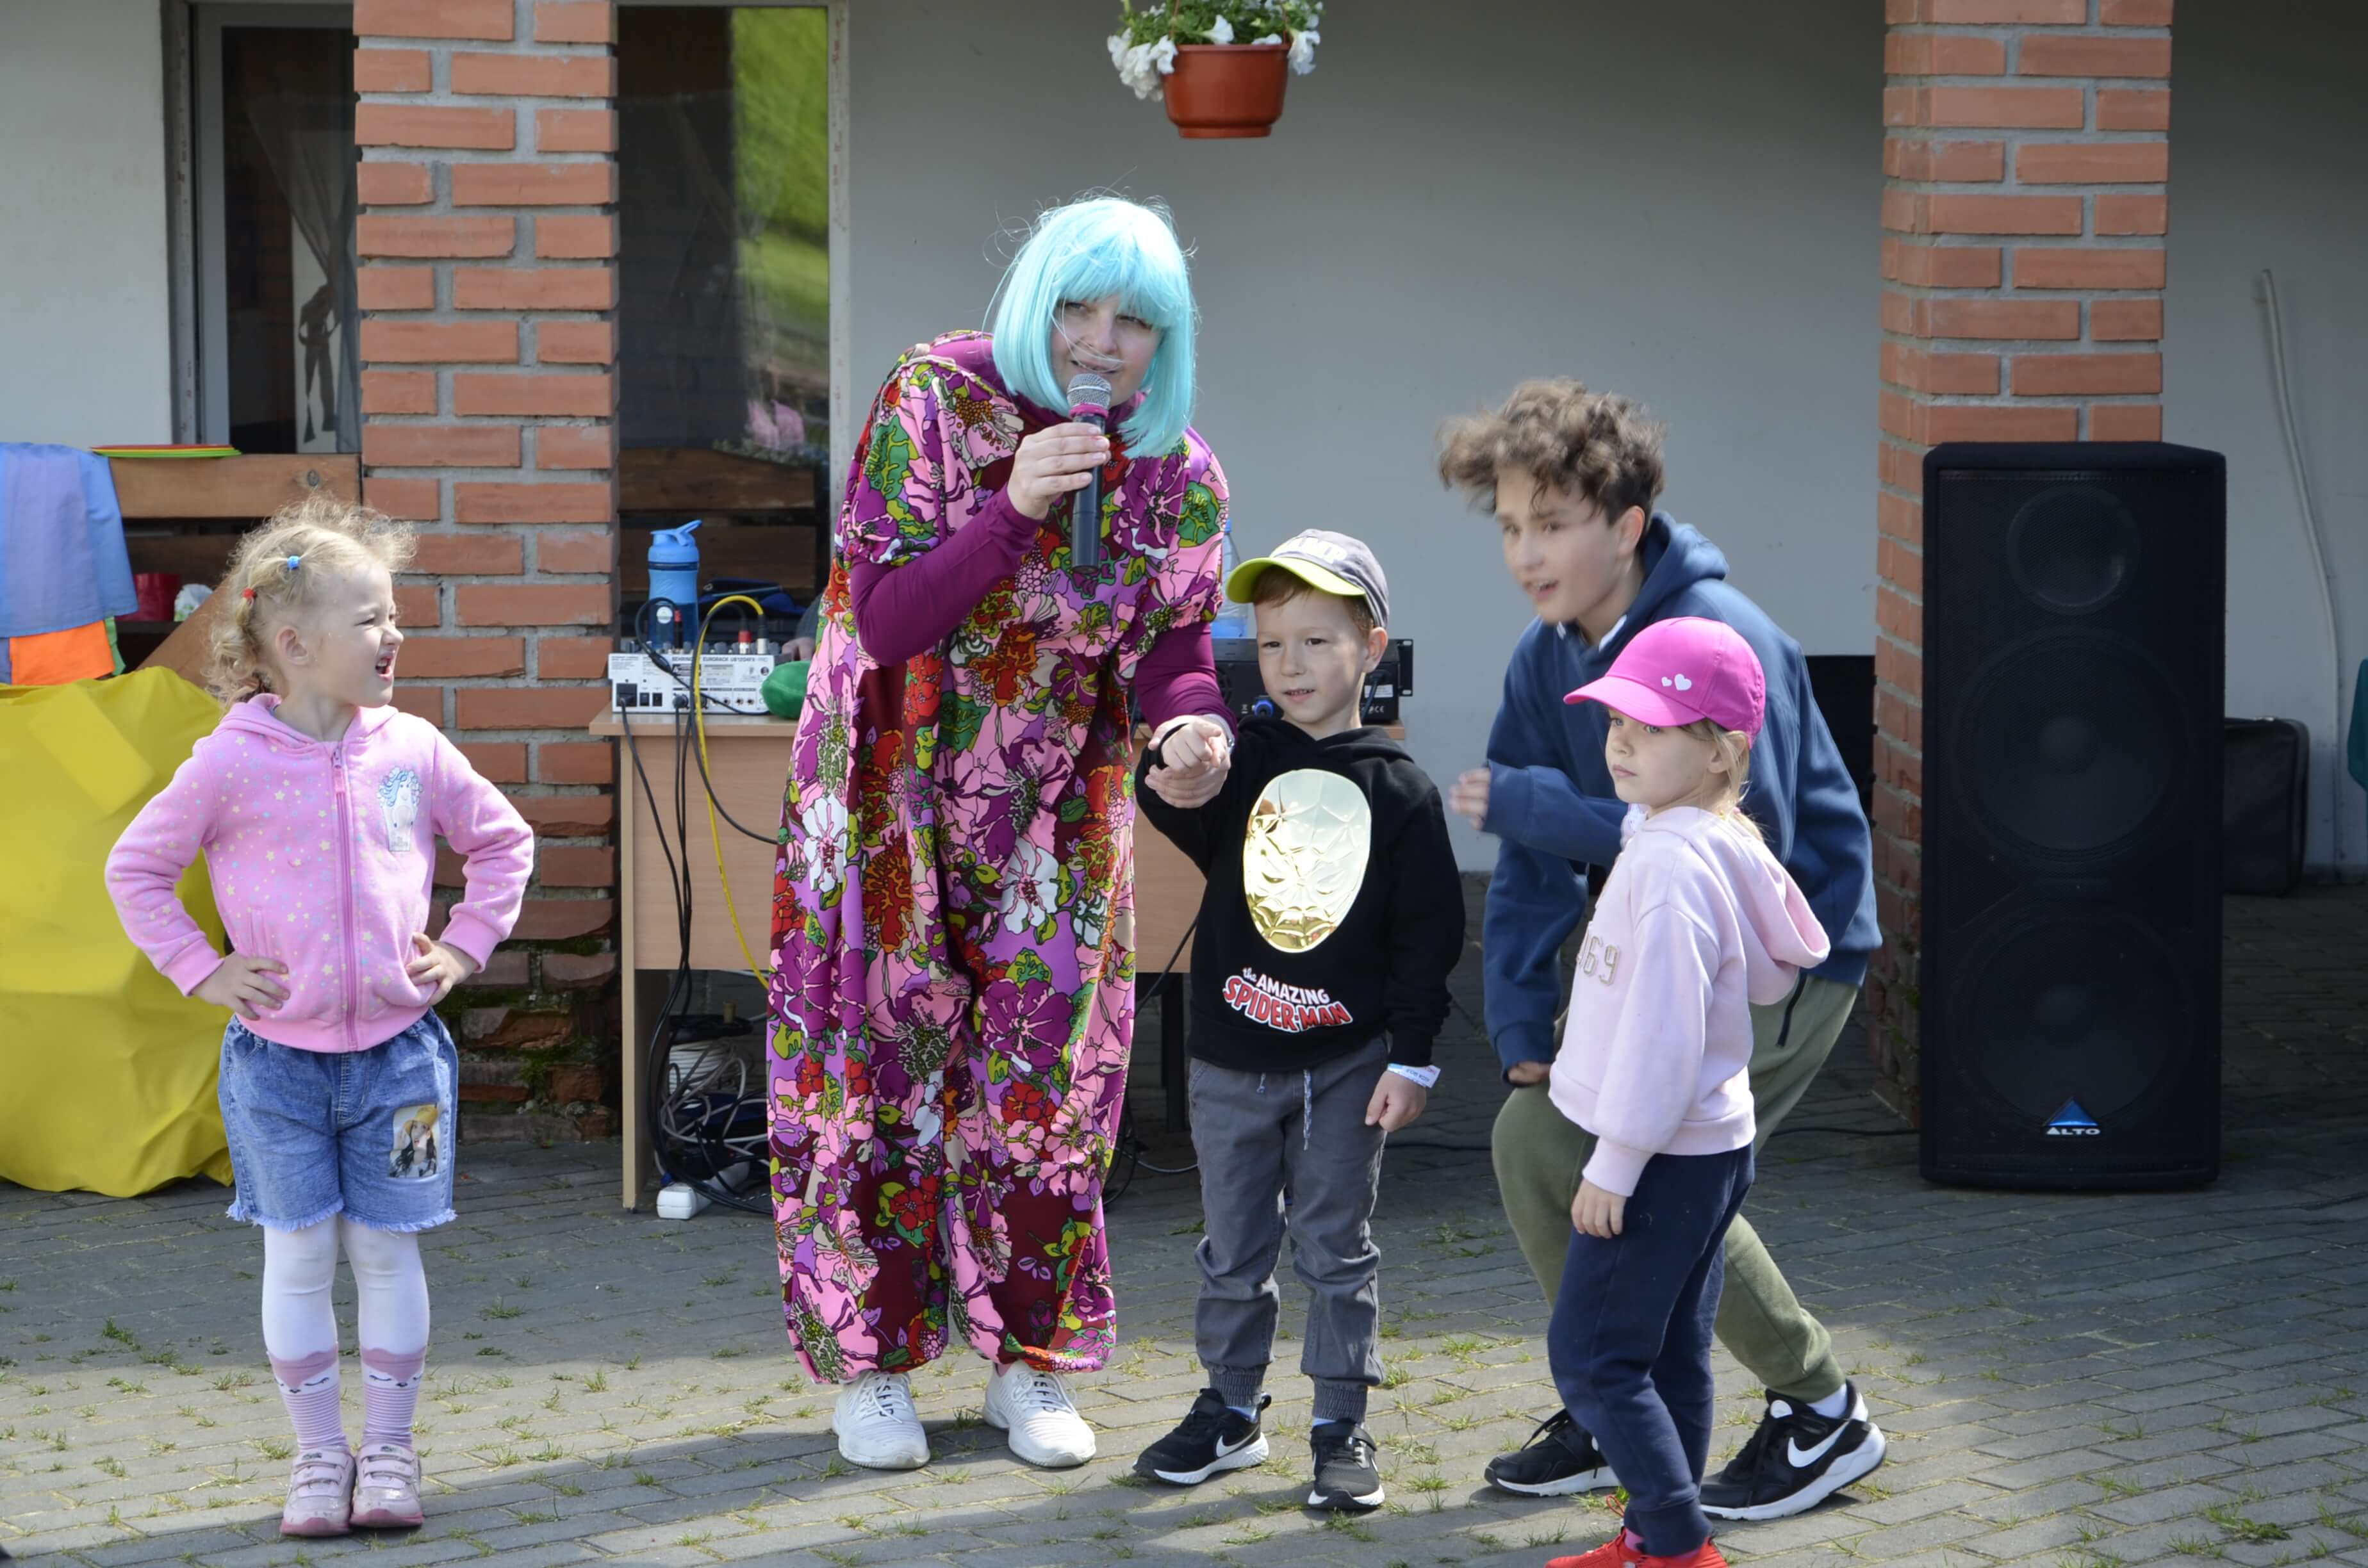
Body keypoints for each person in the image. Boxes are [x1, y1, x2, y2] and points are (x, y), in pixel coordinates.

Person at [767, 196, 1239, 1473]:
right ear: (1034, 301)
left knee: (1049, 1088)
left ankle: (1030, 1363)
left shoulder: (1179, 472)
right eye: (1078, 309)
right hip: (889, 790)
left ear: (1167, 339)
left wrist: (1191, 731)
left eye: (1135, 322)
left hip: (1057, 805)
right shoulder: (933, 397)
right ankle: (873, 1369)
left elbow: (1175, 651)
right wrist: (1015, 506)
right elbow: (888, 619)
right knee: (876, 1079)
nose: (1100, 343)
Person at [1441, 381, 1888, 1520]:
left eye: (1552, 524)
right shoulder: (1547, 656)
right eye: (1509, 526)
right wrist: (1519, 1023)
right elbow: (1529, 862)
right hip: (1659, 955)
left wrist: (1545, 809)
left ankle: (1819, 1410)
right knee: (1535, 1135)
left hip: (1786, 960)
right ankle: (1612, 1403)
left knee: (1664, 1178)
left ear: (1628, 526)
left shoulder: (1721, 639)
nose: (1525, 553)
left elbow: (1741, 851)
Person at [105, 496, 534, 1537]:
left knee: (390, 1253)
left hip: (405, 1068)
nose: (396, 635)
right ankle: (317, 1458)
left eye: (395, 615)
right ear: (294, 645)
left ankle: (388, 1451)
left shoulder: (414, 748)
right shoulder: (228, 761)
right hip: (274, 1074)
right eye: (372, 618)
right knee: (297, 1260)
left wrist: (465, 945)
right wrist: (201, 970)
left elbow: (504, 843)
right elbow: (137, 870)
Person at [1129, 531, 1465, 1513]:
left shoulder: (1402, 790)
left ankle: (1340, 1424)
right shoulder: (1242, 762)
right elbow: (1173, 800)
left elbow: (1427, 939)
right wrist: (1171, 757)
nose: (1292, 664)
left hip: (1347, 1064)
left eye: (1318, 641)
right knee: (1232, 1249)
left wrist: (1414, 1058)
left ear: (1372, 648)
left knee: (1335, 1248)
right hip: (1229, 1059)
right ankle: (1231, 1411)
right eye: (1273, 644)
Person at [1534, 618, 1829, 1568]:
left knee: (1594, 1359)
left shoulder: (1668, 868)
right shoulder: (1702, 838)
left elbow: (1664, 1037)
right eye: (1616, 719)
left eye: (1652, 727)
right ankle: (1654, 1535)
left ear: (1720, 751)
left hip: (1660, 1157)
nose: (1621, 741)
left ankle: (1674, 1549)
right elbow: (1766, 979)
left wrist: (1614, 1165)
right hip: (1708, 1149)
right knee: (1668, 1355)